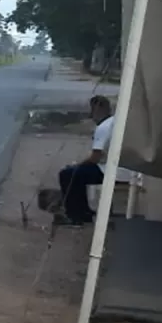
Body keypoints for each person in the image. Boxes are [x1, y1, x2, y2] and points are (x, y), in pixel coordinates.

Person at [57, 95, 118, 225]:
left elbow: (95, 157)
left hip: (108, 171)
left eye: (92, 110)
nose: (91, 115)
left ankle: (74, 217)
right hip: (119, 169)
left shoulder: (103, 128)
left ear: (98, 109)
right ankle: (84, 211)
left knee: (68, 174)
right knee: (78, 173)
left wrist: (77, 165)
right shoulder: (114, 121)